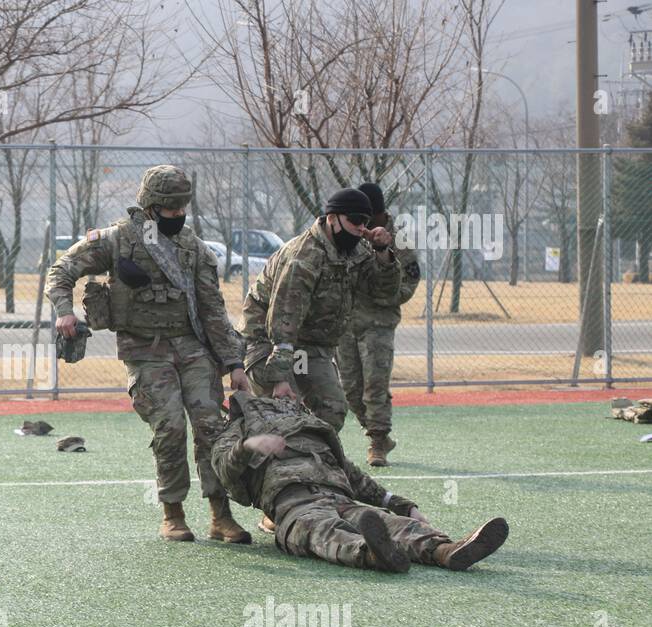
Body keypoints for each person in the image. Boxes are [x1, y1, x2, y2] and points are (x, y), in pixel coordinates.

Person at [46, 165, 251, 542]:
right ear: (151, 207)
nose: (177, 216)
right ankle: (173, 513)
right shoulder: (116, 240)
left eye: (181, 209)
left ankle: (220, 515)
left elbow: (213, 310)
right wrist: (64, 311)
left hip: (192, 348)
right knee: (170, 427)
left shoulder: (193, 249)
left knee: (211, 428)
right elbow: (61, 270)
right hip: (146, 349)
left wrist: (234, 362)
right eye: (169, 209)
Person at [213, 392, 509, 573]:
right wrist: (248, 446)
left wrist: (401, 505)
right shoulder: (235, 434)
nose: (286, 401)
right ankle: (372, 554)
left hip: (340, 497)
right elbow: (225, 473)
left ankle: (448, 551)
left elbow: (355, 477)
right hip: (294, 505)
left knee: (391, 523)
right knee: (321, 531)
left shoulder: (310, 429)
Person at [240, 188, 402, 432]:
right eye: (355, 220)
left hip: (311, 346)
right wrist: (280, 378)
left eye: (365, 222)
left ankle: (314, 466)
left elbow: (384, 293)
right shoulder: (304, 256)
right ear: (332, 218)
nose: (361, 228)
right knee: (283, 414)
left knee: (332, 409)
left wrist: (382, 253)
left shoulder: (357, 251)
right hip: (269, 342)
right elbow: (284, 319)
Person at [335, 182, 422, 466]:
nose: (364, 223)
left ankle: (377, 440)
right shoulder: (350, 236)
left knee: (375, 383)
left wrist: (384, 294)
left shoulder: (401, 241)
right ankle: (377, 434)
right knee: (351, 389)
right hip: (347, 322)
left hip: (379, 322)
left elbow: (409, 283)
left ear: (381, 214)